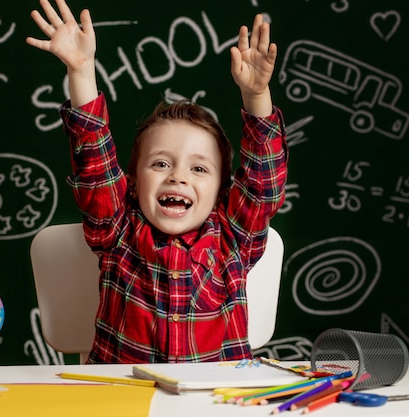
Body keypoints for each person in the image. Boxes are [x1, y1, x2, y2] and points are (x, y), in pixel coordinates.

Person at [26, 0, 288, 363]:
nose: (178, 176)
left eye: (199, 169)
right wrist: (82, 71)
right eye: (161, 163)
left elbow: (264, 183)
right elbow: (94, 160)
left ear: (221, 194)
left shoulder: (233, 237)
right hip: (121, 399)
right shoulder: (117, 230)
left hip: (213, 401)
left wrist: (256, 95)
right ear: (132, 183)